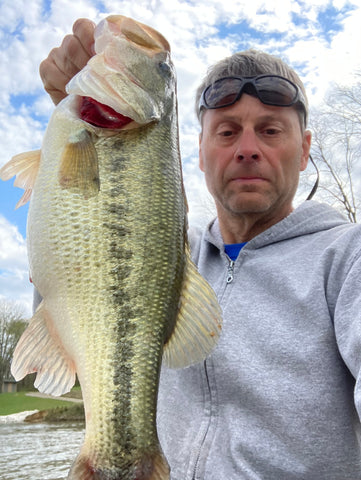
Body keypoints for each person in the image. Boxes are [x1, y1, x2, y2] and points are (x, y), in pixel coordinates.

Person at [39, 19, 361, 480]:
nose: (247, 149)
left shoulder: (349, 258)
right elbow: (66, 275)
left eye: (270, 131)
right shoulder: (173, 249)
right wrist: (74, 129)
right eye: (227, 132)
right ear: (201, 149)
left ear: (305, 148)